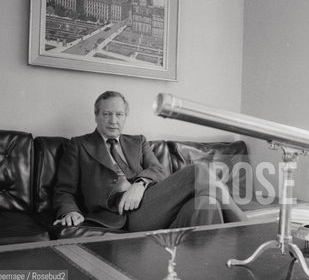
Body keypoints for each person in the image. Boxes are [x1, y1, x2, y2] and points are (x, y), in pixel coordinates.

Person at [52, 91, 247, 232]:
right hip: (120, 215)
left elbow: (159, 170)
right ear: (96, 116)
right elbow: (64, 189)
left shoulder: (138, 141)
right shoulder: (79, 145)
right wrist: (68, 211)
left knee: (207, 204)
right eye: (107, 114)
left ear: (125, 116)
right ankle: (247, 231)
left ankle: (206, 278)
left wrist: (140, 184)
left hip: (151, 204)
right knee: (198, 172)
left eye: (119, 114)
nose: (113, 120)